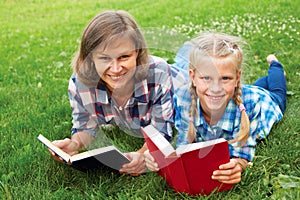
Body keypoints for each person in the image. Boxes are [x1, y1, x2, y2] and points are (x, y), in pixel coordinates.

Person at [49, 10, 186, 176]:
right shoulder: (81, 82)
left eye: (124, 57)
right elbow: (86, 126)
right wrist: (73, 144)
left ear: (138, 52)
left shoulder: (158, 74)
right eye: (105, 58)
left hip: (186, 84)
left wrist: (142, 155)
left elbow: (162, 132)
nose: (115, 69)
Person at [145, 32, 286, 184]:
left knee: (277, 89)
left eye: (225, 78)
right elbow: (183, 144)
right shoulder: (184, 98)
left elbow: (242, 155)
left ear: (237, 78)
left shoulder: (252, 105)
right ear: (192, 77)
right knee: (258, 85)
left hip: (269, 101)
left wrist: (237, 165)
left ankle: (275, 64)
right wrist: (157, 157)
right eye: (206, 78)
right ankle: (264, 78)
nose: (215, 88)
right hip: (238, 92)